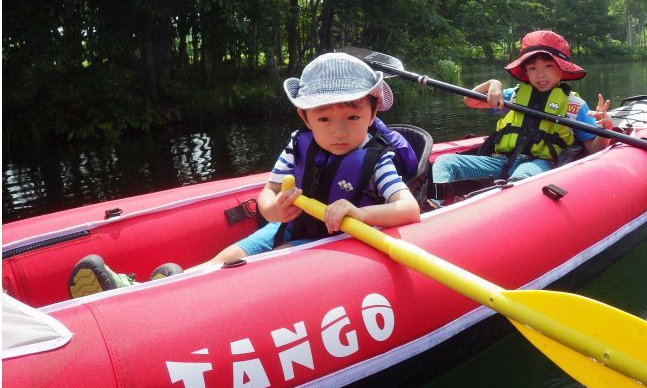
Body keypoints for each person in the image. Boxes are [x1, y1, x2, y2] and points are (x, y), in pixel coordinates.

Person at [68, 52, 421, 298]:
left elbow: (408, 209)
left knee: (246, 268)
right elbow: (266, 195)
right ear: (305, 118)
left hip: (333, 243)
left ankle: (158, 293)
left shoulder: (376, 161)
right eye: (325, 119)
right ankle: (142, 289)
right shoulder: (298, 145)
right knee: (221, 259)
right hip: (288, 227)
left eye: (353, 118)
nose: (339, 132)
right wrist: (273, 211)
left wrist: (360, 213)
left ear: (373, 113)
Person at [431, 30, 612, 185]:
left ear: (562, 70)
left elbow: (594, 147)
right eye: (532, 68)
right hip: (501, 161)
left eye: (548, 66)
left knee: (521, 179)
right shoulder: (515, 95)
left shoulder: (574, 105)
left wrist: (606, 128)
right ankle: (434, 207)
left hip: (539, 163)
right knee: (445, 162)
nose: (540, 74)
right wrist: (492, 83)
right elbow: (470, 101)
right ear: (526, 72)